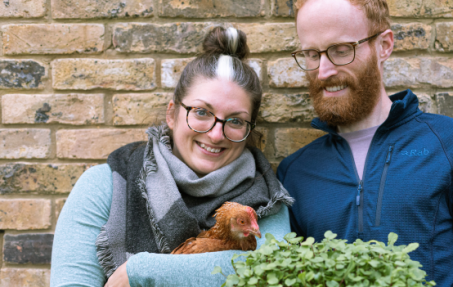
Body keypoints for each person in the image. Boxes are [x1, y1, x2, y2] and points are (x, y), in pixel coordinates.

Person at [277, 0, 453, 286]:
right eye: (311, 54)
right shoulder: (295, 172)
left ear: (384, 46)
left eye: (340, 51)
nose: (323, 71)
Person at [51, 26, 293, 287]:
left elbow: (274, 269)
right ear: (172, 114)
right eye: (201, 112)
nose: (215, 134)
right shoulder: (107, 186)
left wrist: (142, 271)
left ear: (248, 130)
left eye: (235, 120)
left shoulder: (266, 199)